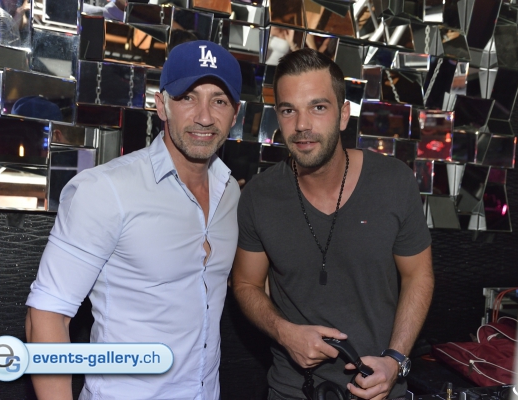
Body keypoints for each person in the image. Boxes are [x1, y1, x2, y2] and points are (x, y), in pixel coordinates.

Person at [25, 40, 242, 400]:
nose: (204, 116)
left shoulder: (230, 192)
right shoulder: (106, 189)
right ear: (162, 105)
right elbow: (46, 315)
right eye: (188, 97)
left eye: (219, 101)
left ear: (235, 114)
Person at [232, 48, 433, 400]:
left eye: (318, 107)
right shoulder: (259, 196)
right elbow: (246, 283)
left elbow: (418, 275)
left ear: (343, 115)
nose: (302, 125)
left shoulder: (393, 182)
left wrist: (396, 360)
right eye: (289, 110)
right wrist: (284, 333)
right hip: (293, 390)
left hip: (379, 389)